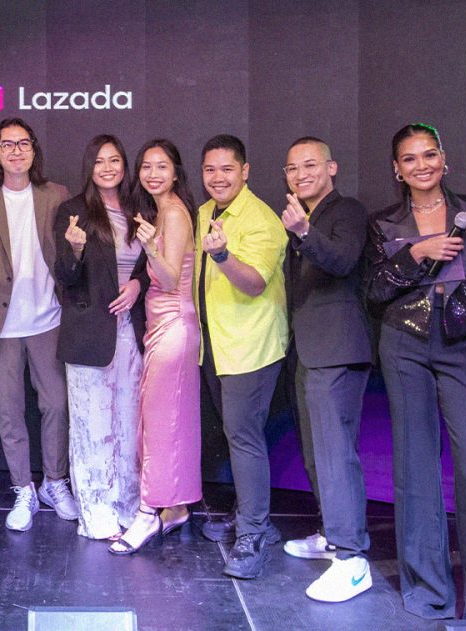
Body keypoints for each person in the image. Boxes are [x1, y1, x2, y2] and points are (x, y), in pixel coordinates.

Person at [366, 123, 466, 622]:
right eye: (410, 158)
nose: (421, 165)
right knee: (416, 465)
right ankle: (428, 591)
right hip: (405, 342)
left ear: (444, 159)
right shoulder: (383, 223)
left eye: (429, 155)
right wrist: (417, 252)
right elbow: (375, 290)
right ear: (397, 169)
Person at [0, 117, 79, 532]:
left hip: (49, 320)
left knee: (57, 405)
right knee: (10, 413)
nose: (16, 151)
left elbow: (70, 259)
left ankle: (54, 482)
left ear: (33, 151)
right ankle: (23, 488)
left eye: (23, 143)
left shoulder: (56, 195)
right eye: (7, 144)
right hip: (2, 326)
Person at [278, 137, 373, 602]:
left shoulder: (347, 211)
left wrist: (302, 232)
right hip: (309, 350)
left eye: (310, 165)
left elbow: (342, 260)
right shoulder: (304, 217)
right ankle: (332, 535)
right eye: (292, 168)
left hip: (338, 348)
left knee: (335, 455)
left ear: (331, 167)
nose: (301, 174)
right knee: (317, 454)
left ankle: (352, 559)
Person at [193, 134, 288, 579]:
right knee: (237, 435)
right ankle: (252, 515)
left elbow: (254, 283)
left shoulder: (262, 220)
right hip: (217, 344)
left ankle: (253, 534)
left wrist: (222, 255)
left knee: (244, 437)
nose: (218, 178)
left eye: (227, 169)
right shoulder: (204, 212)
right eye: (210, 169)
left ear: (245, 171)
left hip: (251, 347)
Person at [52, 134, 147, 540]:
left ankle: (127, 505)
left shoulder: (140, 209)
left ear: (124, 165)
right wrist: (73, 251)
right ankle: (95, 513)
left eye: (114, 160)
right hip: (89, 332)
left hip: (131, 332)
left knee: (127, 424)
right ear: (89, 167)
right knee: (91, 427)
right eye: (99, 161)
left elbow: (150, 264)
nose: (107, 168)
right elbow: (65, 276)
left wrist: (138, 285)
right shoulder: (73, 211)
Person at [109, 139, 202, 554]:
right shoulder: (161, 211)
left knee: (160, 423)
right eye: (146, 166)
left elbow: (167, 278)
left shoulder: (176, 213)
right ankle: (176, 508)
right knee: (167, 421)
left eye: (161, 166)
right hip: (160, 325)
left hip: (174, 326)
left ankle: (149, 512)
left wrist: (149, 246)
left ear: (176, 173)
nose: (152, 174)